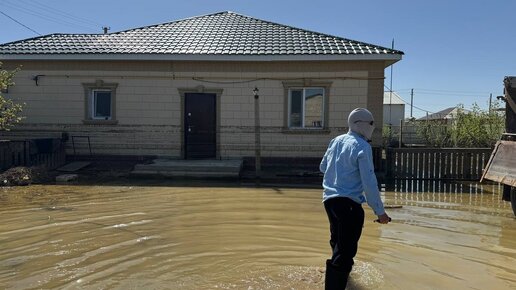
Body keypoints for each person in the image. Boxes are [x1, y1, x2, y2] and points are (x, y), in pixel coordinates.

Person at [320, 108, 391, 289]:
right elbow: (369, 182)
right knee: (346, 250)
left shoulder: (335, 141)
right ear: (361, 125)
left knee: (338, 243)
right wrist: (380, 212)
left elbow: (322, 167)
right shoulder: (362, 146)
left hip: (329, 202)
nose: (371, 129)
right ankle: (335, 285)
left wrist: (340, 171)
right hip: (349, 205)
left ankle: (345, 281)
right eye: (370, 124)